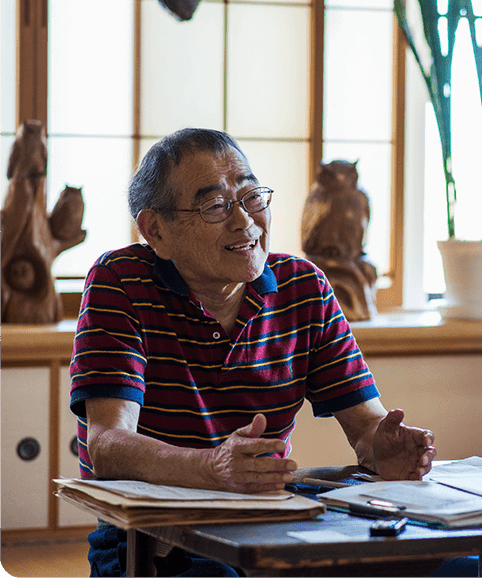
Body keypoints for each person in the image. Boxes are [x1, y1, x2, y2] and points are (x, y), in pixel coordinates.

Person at [69, 128, 437, 577]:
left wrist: (382, 448)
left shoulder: (304, 287)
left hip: (268, 521)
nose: (244, 221)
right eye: (215, 206)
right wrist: (210, 468)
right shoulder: (121, 281)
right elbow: (107, 444)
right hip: (149, 534)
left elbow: (365, 426)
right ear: (156, 230)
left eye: (251, 197)